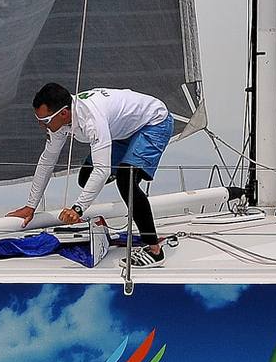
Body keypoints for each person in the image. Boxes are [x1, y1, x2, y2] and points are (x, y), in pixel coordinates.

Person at [9, 83, 175, 267]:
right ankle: (116, 171)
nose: (41, 125)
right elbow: (47, 160)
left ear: (63, 113)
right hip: (120, 131)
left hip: (153, 122)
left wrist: (78, 209)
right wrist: (30, 206)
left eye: (45, 120)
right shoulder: (59, 120)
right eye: (38, 119)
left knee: (125, 181)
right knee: (86, 178)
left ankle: (154, 250)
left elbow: (101, 169)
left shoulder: (92, 120)